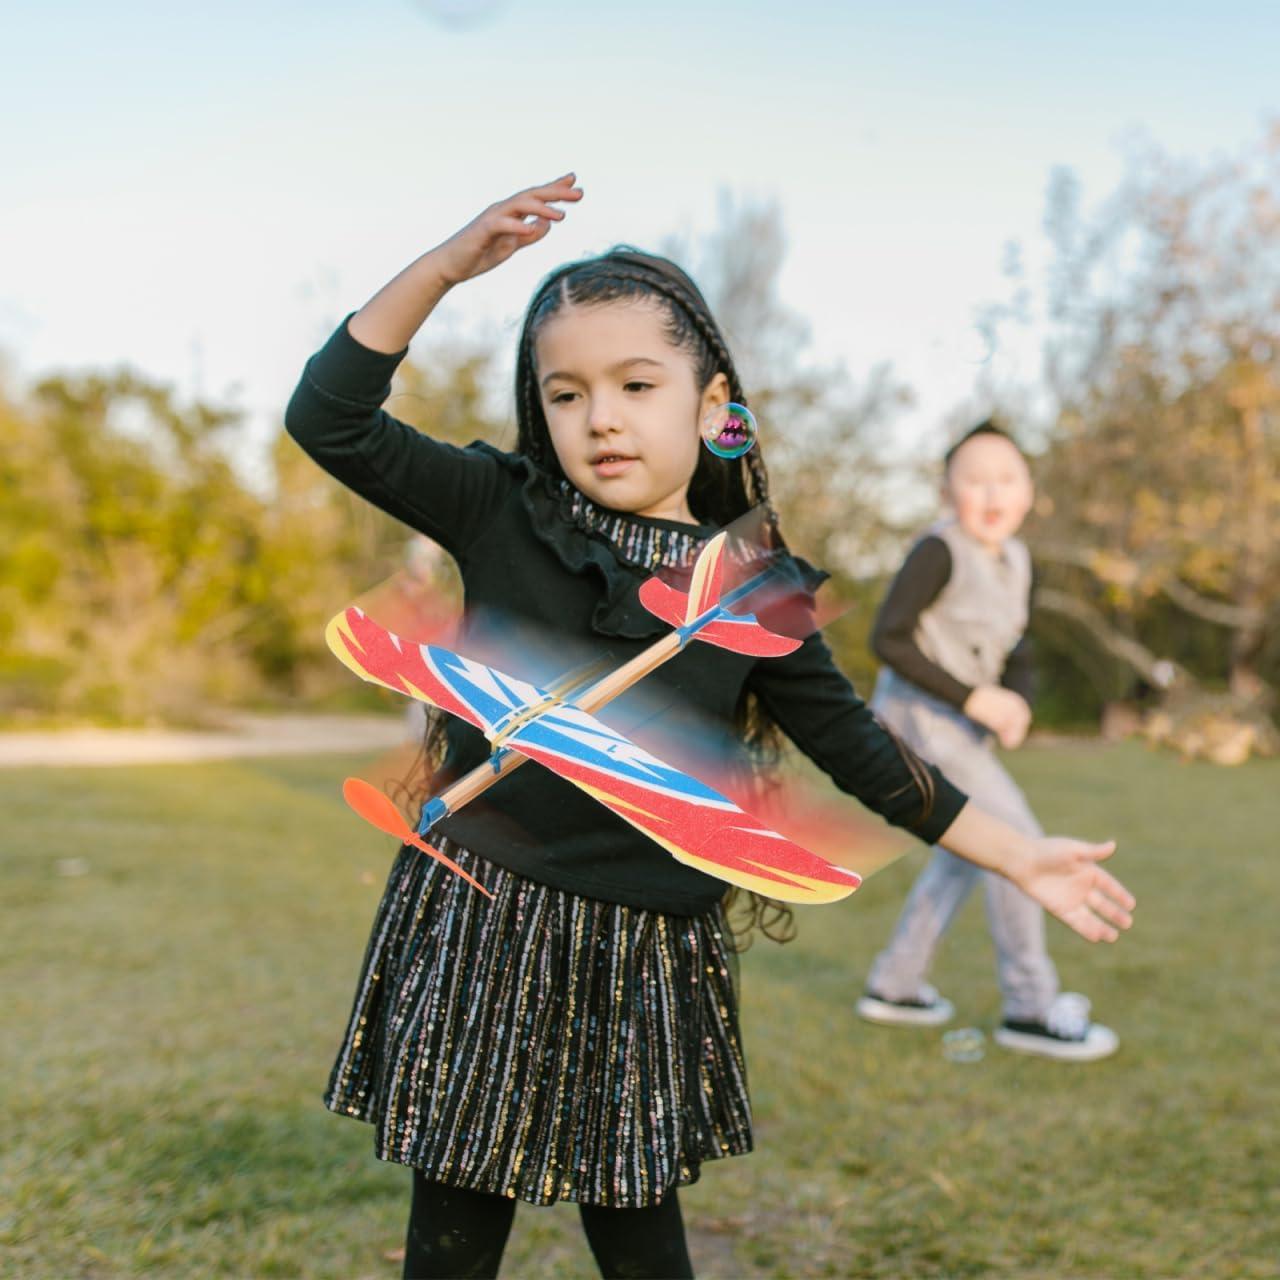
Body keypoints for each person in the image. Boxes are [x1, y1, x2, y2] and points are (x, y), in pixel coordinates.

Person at [284, 176, 1134, 1278]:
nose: (599, 416)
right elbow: (329, 419)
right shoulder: (499, 509)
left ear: (708, 400)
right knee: (453, 1229)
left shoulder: (751, 595)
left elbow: (865, 755)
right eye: (564, 392)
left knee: (640, 1230)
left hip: (644, 948)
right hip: (485, 919)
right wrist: (446, 268)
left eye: (636, 383)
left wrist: (1018, 852)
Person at [857, 421, 1120, 1062]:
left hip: (965, 734)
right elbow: (887, 639)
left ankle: (896, 985)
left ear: (1030, 491)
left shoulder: (1018, 560)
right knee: (1019, 847)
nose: (991, 492)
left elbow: (1018, 647)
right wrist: (974, 697)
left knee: (965, 853)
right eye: (974, 480)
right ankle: (1030, 1008)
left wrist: (1018, 702)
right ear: (948, 492)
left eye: (1006, 478)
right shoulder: (938, 551)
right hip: (918, 725)